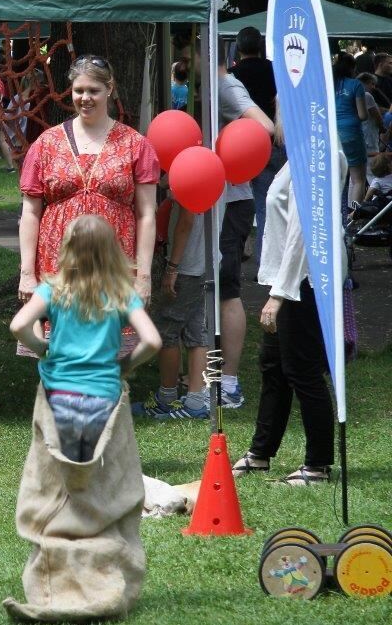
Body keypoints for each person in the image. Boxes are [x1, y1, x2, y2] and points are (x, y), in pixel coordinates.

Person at [233, 137, 348, 486]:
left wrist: (280, 294)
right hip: (290, 278)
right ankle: (260, 453)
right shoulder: (302, 151)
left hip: (304, 282)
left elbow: (305, 232)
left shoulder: (321, 153)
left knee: (302, 372)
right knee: (275, 369)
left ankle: (317, 466)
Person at [18, 55, 160, 317]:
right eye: (78, 90)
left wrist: (144, 276)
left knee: (109, 348)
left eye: (93, 91)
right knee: (58, 347)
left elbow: (147, 214)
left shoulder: (135, 144)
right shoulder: (46, 143)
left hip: (114, 265)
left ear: (110, 89)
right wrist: (27, 273)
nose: (85, 98)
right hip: (57, 265)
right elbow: (30, 212)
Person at [11, 215, 161, 461]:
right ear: (113, 250)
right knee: (97, 461)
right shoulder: (122, 294)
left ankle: (70, 494)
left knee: (66, 462)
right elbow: (152, 341)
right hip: (103, 391)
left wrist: (41, 348)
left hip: (60, 390)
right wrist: (126, 364)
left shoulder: (52, 289)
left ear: (67, 249)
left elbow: (19, 325)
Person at [210, 48, 275, 408]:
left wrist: (233, 156)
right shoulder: (221, 85)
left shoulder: (226, 87)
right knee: (218, 287)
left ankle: (230, 384)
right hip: (221, 199)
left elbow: (265, 128)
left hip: (232, 202)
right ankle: (215, 377)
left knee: (227, 289)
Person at [132, 196, 209, 420]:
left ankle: (167, 399)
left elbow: (186, 221)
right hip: (205, 262)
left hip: (188, 264)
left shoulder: (195, 169)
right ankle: (195, 400)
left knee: (166, 329)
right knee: (197, 332)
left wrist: (172, 267)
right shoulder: (214, 169)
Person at [230, 26, 283, 263]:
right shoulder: (275, 71)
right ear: (260, 46)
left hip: (237, 148)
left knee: (236, 203)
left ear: (238, 47)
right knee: (266, 204)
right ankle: (266, 260)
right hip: (271, 143)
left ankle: (237, 251)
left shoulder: (231, 77)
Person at [333, 52, 369, 204]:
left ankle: (334, 217)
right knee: (358, 179)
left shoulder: (327, 84)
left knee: (334, 178)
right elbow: (362, 115)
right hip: (352, 133)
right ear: (352, 68)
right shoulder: (355, 85)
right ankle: (355, 218)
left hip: (332, 134)